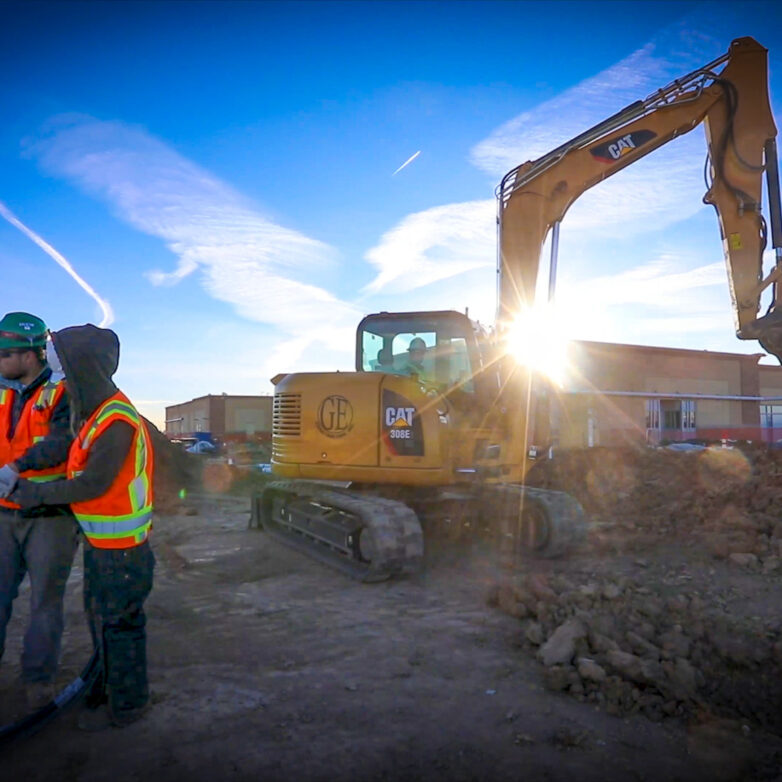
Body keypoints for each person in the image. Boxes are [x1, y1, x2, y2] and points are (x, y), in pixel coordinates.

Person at [10, 324, 155, 731]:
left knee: (121, 628)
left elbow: (93, 483)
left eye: (65, 370)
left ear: (84, 369)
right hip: (103, 545)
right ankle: (106, 689)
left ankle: (128, 705)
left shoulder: (117, 420)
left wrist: (33, 495)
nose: (60, 380)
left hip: (123, 552)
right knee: (101, 621)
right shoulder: (94, 415)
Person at [0, 311, 78, 710]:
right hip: (3, 514)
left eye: (4, 355)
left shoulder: (64, 393)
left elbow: (65, 442)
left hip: (50, 516)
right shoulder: (4, 390)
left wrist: (16, 468)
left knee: (45, 604)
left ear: (29, 355)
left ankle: (38, 682)